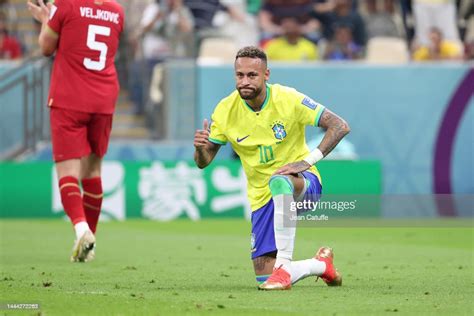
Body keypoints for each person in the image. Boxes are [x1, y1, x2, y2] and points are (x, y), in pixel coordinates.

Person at [193, 46, 350, 290]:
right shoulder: (225, 110)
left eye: (252, 75)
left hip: (302, 184)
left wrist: (308, 161)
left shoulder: (288, 99)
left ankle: (283, 267)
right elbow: (203, 162)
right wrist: (200, 149)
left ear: (266, 75)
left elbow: (339, 125)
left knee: (280, 181)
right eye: (239, 75)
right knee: (263, 277)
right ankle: (321, 266)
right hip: (261, 198)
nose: (244, 81)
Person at [27, 0, 124, 262]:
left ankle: (82, 230)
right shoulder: (116, 11)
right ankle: (88, 245)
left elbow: (47, 47)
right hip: (103, 98)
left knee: (67, 172)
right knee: (93, 170)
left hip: (69, 97)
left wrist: (47, 20)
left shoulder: (65, 4)